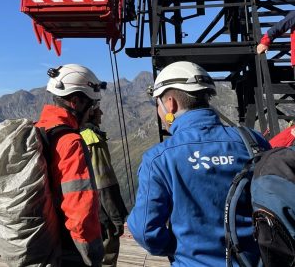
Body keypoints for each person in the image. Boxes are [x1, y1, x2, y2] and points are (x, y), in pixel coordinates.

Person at [127, 61, 270, 266]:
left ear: (170, 104)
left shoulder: (159, 159)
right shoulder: (253, 141)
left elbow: (144, 230)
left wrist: (178, 248)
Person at [37, 64, 105, 266]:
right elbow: (80, 209)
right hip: (67, 249)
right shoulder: (70, 142)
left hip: (43, 241)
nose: (95, 111)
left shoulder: (40, 129)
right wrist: (93, 254)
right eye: (92, 105)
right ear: (75, 102)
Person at [80, 107, 128, 267]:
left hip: (82, 210)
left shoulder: (73, 135)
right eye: (97, 109)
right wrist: (116, 216)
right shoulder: (93, 139)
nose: (102, 112)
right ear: (90, 112)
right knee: (107, 254)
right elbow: (104, 183)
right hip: (101, 212)